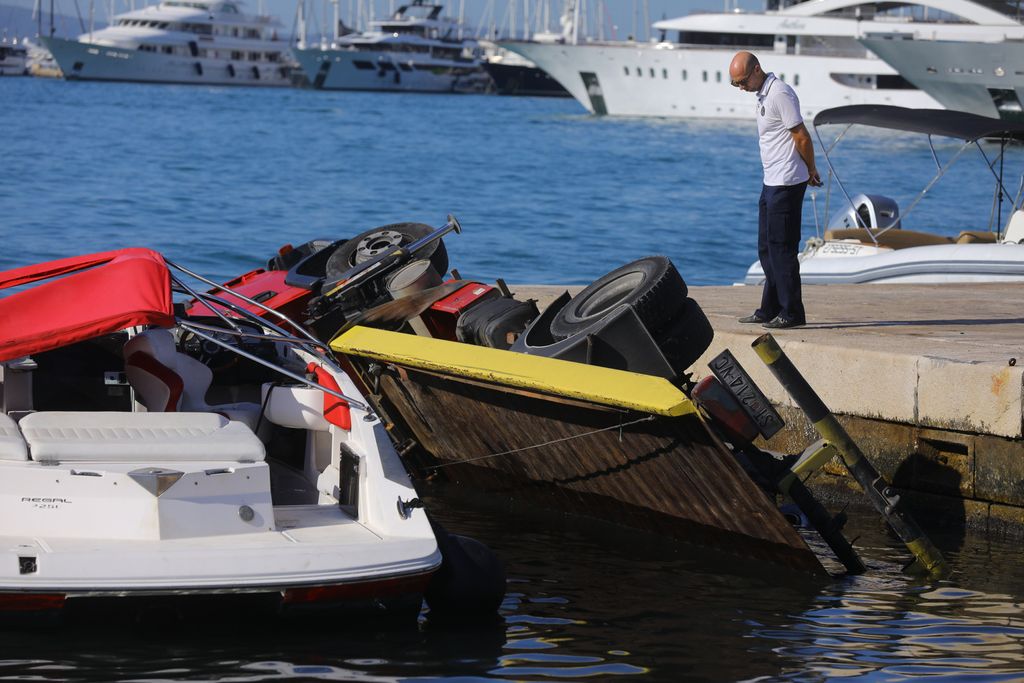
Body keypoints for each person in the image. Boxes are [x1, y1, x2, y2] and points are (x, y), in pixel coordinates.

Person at [729, 51, 822, 329]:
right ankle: (769, 308)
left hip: (787, 181)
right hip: (771, 180)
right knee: (766, 248)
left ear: (757, 70)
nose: (741, 87)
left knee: (782, 248)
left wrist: (811, 170)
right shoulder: (762, 95)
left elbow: (801, 136)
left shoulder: (780, 93)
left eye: (743, 81)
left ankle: (792, 311)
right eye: (736, 84)